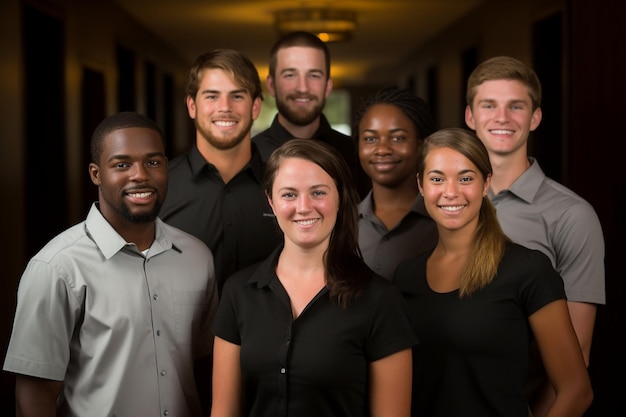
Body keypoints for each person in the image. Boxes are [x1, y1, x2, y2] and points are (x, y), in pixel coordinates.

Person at [3, 111, 217, 417]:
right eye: (122, 164)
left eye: (153, 162)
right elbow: (33, 398)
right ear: (96, 173)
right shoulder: (57, 267)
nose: (140, 175)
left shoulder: (198, 257)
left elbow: (205, 366)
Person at [394, 127, 593, 417]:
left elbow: (577, 391)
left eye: (466, 178)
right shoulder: (406, 276)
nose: (450, 192)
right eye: (437, 178)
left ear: (486, 184)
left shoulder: (527, 269)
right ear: (421, 185)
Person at [211, 139, 416, 417]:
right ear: (271, 201)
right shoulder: (238, 292)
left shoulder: (380, 300)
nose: (304, 207)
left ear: (340, 198)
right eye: (289, 195)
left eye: (318, 192)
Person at [464, 55, 605, 416]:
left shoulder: (571, 215)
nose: (502, 118)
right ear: (470, 117)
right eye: (489, 105)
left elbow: (577, 355)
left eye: (516, 106)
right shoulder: (440, 204)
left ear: (535, 117)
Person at [160, 48, 283, 294]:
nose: (224, 107)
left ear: (255, 107)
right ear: (192, 105)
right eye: (212, 96)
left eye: (237, 96)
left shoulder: (284, 186)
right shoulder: (160, 186)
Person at [252, 30, 369, 197]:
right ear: (271, 85)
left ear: (328, 86)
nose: (302, 88)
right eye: (290, 75)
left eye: (314, 75)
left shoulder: (356, 155)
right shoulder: (250, 156)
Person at [354, 86, 438, 280]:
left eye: (398, 138)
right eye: (370, 138)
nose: (382, 149)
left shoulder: (446, 220)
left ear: (420, 146)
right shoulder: (341, 224)